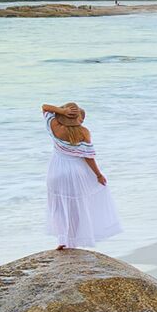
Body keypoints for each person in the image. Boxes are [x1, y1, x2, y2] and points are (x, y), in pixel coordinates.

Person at [41, 102, 123, 250]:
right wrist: (98, 175)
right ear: (80, 119)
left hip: (56, 171)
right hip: (75, 173)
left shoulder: (54, 126)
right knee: (75, 208)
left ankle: (61, 239)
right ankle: (72, 240)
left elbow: (45, 107)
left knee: (58, 206)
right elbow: (88, 157)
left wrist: (62, 111)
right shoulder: (83, 132)